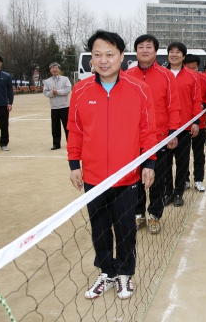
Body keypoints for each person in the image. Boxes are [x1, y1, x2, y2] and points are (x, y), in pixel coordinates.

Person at [67, 30, 157, 300]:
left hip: (127, 178)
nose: (103, 60)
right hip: (94, 177)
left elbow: (148, 131)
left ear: (121, 56)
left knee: (126, 228)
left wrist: (149, 163)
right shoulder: (80, 90)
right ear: (91, 59)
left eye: (109, 54)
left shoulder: (139, 89)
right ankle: (106, 272)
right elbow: (75, 131)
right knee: (100, 229)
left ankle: (125, 274)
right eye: (97, 55)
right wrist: (74, 164)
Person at [126, 34, 181, 233]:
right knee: (135, 180)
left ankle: (155, 215)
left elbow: (174, 106)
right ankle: (138, 214)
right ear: (136, 51)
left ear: (156, 51)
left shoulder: (167, 76)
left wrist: (173, 133)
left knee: (157, 180)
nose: (145, 50)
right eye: (140, 47)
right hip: (133, 140)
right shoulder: (127, 75)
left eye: (149, 46)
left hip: (159, 140)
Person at [165, 42, 202, 207]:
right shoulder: (162, 74)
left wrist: (196, 122)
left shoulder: (192, 76)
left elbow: (196, 101)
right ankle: (167, 192)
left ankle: (178, 192)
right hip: (164, 129)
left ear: (183, 56)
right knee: (164, 165)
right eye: (171, 52)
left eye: (178, 52)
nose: (174, 54)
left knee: (182, 163)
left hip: (184, 127)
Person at [183, 54, 206, 192]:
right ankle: (184, 179)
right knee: (183, 155)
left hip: (200, 124)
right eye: (188, 68)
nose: (191, 70)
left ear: (198, 67)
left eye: (194, 68)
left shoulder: (204, 79)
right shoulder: (179, 79)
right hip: (183, 126)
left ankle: (198, 180)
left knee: (199, 153)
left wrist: (204, 104)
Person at [43, 62, 72, 150]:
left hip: (64, 106)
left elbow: (68, 89)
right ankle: (56, 143)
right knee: (55, 127)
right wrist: (52, 93)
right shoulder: (47, 81)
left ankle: (70, 142)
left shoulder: (65, 79)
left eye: (56, 68)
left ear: (59, 69)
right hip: (54, 107)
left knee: (67, 126)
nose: (54, 69)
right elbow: (45, 93)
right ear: (50, 70)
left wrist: (57, 92)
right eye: (52, 68)